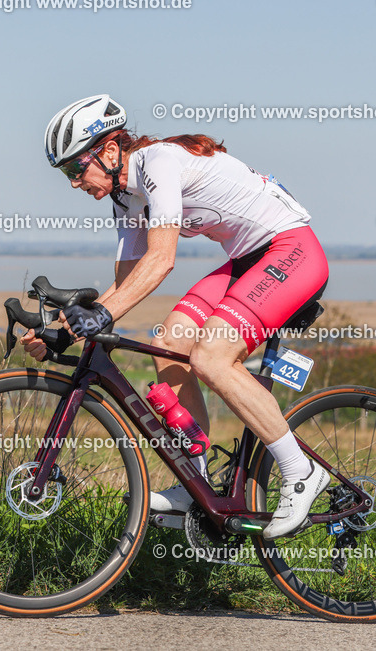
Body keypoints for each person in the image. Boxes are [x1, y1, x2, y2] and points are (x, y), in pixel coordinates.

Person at [21, 94, 330, 539]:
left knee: (212, 357)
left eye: (75, 168)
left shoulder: (157, 163)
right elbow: (128, 282)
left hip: (291, 250)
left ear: (109, 151)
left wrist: (102, 313)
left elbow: (161, 260)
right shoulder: (125, 197)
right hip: (246, 260)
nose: (73, 183)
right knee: (170, 344)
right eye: (65, 173)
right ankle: (196, 478)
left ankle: (300, 471)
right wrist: (63, 333)